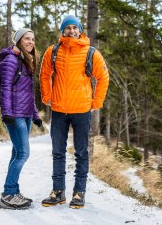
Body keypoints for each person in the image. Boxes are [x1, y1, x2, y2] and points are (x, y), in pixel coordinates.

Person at [39, 15, 109, 209]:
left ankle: (79, 193)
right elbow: (44, 75)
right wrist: (47, 96)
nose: (71, 31)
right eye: (67, 28)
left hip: (81, 110)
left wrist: (96, 102)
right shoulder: (52, 52)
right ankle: (58, 192)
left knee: (81, 152)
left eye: (74, 27)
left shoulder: (91, 53)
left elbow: (103, 78)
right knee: (58, 152)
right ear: (62, 31)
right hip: (59, 110)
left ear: (80, 30)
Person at [0, 28, 43, 210]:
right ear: (18, 41)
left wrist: (35, 115)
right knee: (23, 153)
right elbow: (5, 89)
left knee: (16, 153)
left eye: (32, 39)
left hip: (24, 115)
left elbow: (27, 94)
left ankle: (13, 191)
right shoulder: (11, 60)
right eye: (27, 39)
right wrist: (6, 113)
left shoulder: (25, 61)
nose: (31, 42)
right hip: (14, 115)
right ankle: (8, 194)